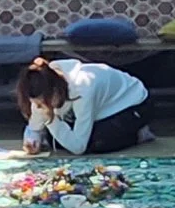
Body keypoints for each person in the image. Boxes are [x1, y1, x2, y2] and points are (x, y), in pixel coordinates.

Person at [14, 57, 153, 156]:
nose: (40, 107)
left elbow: (78, 147)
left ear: (55, 91)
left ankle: (138, 133)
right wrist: (33, 140)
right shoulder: (42, 86)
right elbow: (35, 124)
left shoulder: (83, 89)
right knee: (56, 139)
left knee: (98, 142)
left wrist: (51, 121)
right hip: (98, 109)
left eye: (43, 103)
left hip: (132, 105)